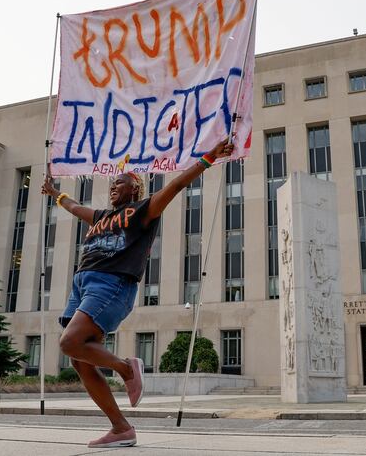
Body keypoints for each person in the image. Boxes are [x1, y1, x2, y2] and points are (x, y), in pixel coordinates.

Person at [40, 138, 234, 448]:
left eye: (121, 184)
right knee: (79, 359)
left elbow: (177, 185)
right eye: (113, 184)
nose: (114, 187)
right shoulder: (102, 217)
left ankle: (127, 368)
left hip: (112, 284)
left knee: (70, 343)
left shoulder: (142, 211)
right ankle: (121, 428)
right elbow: (75, 208)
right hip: (81, 286)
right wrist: (55, 194)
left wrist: (209, 157)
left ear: (135, 189)